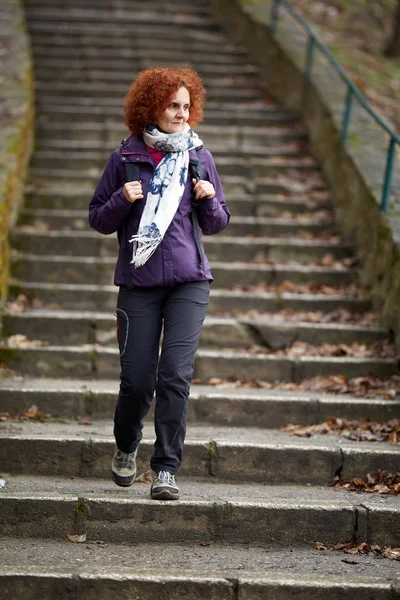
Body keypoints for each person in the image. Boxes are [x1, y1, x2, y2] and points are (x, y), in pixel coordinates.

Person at [89, 66, 230, 500]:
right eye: (173, 105)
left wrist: (208, 198)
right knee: (136, 380)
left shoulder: (198, 156)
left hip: (190, 281)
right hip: (139, 282)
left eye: (187, 107)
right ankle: (126, 444)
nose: (182, 114)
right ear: (151, 106)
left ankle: (166, 468)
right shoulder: (125, 158)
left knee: (175, 376)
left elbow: (218, 221)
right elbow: (97, 217)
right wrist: (122, 197)